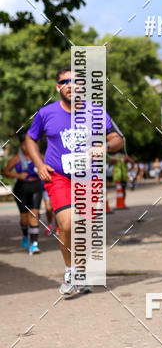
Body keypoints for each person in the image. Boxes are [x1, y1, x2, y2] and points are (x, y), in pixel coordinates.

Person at [25, 67, 124, 295]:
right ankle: (70, 271)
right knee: (67, 224)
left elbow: (118, 138)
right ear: (58, 87)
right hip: (58, 175)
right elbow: (30, 140)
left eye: (75, 81)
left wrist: (105, 147)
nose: (70, 85)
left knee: (84, 227)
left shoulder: (97, 112)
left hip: (89, 177)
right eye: (65, 81)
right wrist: (39, 165)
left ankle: (81, 270)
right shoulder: (45, 113)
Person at [3, 138, 44, 253]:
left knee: (34, 215)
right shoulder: (16, 158)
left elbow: (46, 169)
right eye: (25, 145)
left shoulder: (38, 157)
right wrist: (18, 175)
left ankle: (34, 244)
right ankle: (25, 234)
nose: (28, 147)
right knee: (24, 218)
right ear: (22, 146)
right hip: (21, 189)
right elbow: (5, 172)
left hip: (36, 187)